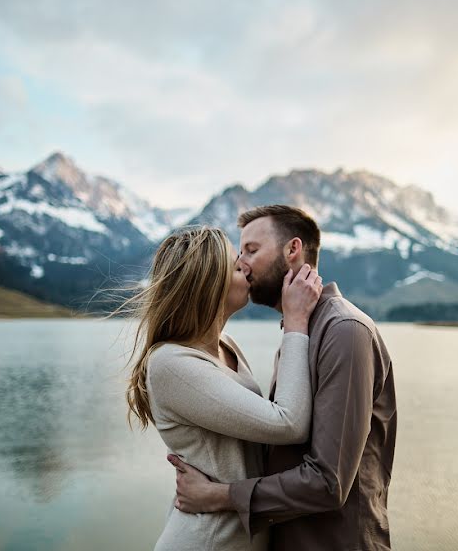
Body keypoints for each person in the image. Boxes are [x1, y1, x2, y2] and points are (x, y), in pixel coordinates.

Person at [168, 205, 398, 551]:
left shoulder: (343, 332)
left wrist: (220, 496)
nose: (241, 263)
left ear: (292, 250)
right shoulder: (300, 329)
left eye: (251, 250)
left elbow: (328, 481)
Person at [123, 225, 323, 551]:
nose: (245, 265)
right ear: (208, 284)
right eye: (234, 263)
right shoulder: (171, 364)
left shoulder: (224, 345)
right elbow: (289, 423)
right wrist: (296, 321)